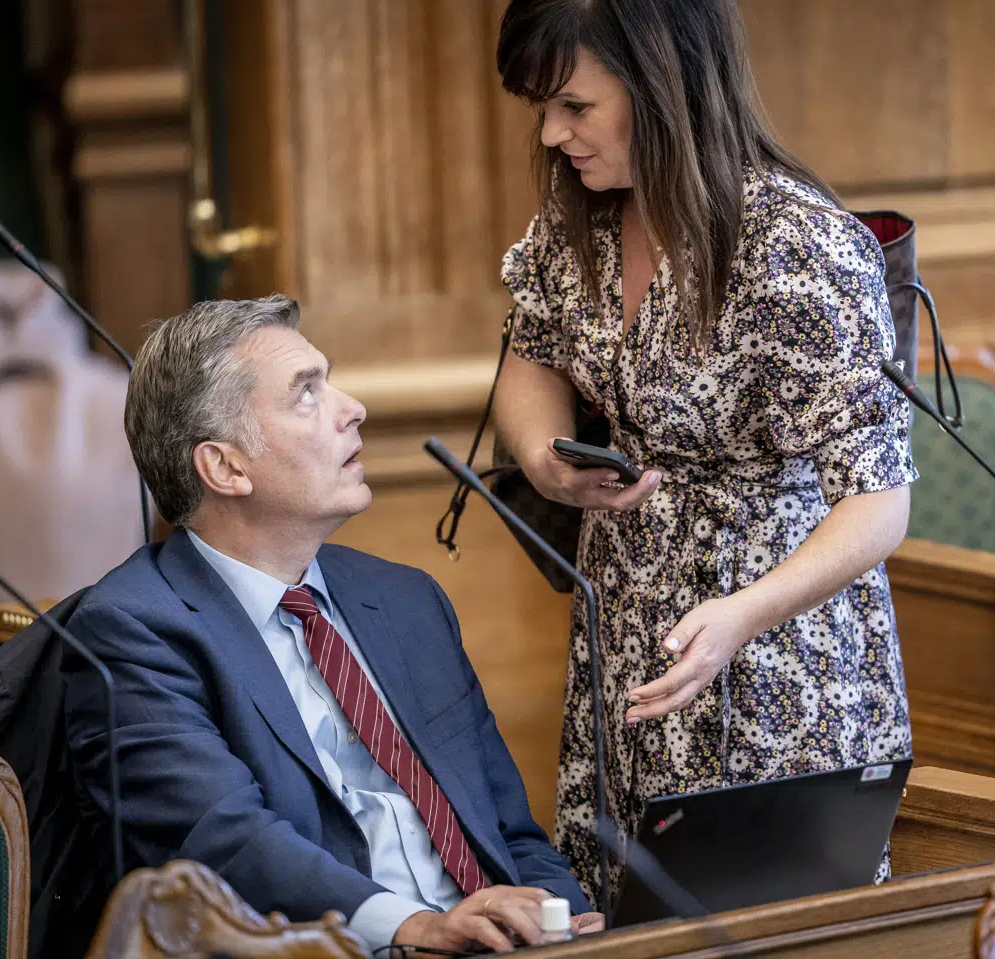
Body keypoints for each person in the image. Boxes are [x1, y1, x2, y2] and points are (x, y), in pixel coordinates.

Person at [492, 0, 918, 903]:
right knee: (632, 910)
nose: (551, 132)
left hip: (777, 654)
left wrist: (741, 616)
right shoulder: (582, 221)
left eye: (574, 106)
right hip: (629, 633)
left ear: (661, 85)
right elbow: (529, 358)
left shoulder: (796, 244)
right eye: (543, 108)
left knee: (762, 916)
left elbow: (880, 503)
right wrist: (543, 459)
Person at [60, 295, 603, 955]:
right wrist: (413, 926)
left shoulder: (405, 600)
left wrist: (568, 923)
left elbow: (510, 834)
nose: (354, 408)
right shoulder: (133, 631)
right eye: (308, 394)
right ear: (225, 466)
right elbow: (224, 843)